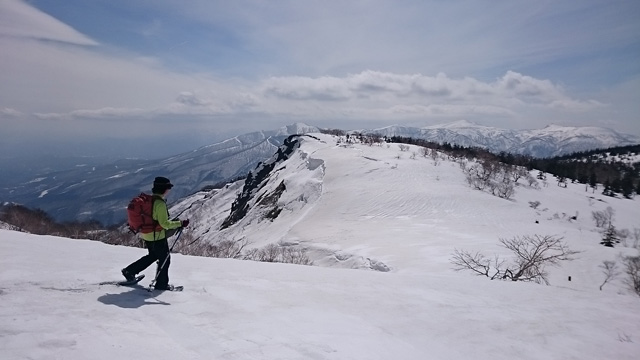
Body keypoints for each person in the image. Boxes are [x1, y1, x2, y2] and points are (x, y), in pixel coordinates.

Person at [122, 176, 189, 290]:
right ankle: (161, 285)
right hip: (157, 236)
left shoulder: (150, 201)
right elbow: (164, 224)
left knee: (153, 256)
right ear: (164, 189)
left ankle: (130, 271)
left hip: (146, 234)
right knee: (165, 260)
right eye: (168, 188)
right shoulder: (159, 204)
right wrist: (180, 223)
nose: (169, 190)